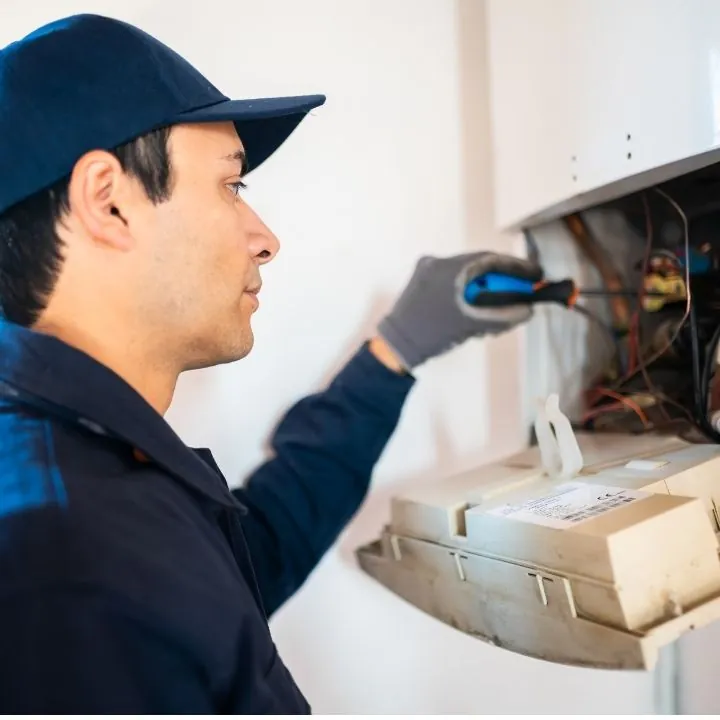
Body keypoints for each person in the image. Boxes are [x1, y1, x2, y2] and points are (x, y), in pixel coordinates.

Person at [0, 14, 543, 714]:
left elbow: (247, 560)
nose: (265, 240)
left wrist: (394, 353)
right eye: (232, 186)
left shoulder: (92, 471)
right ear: (109, 202)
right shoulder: (64, 567)